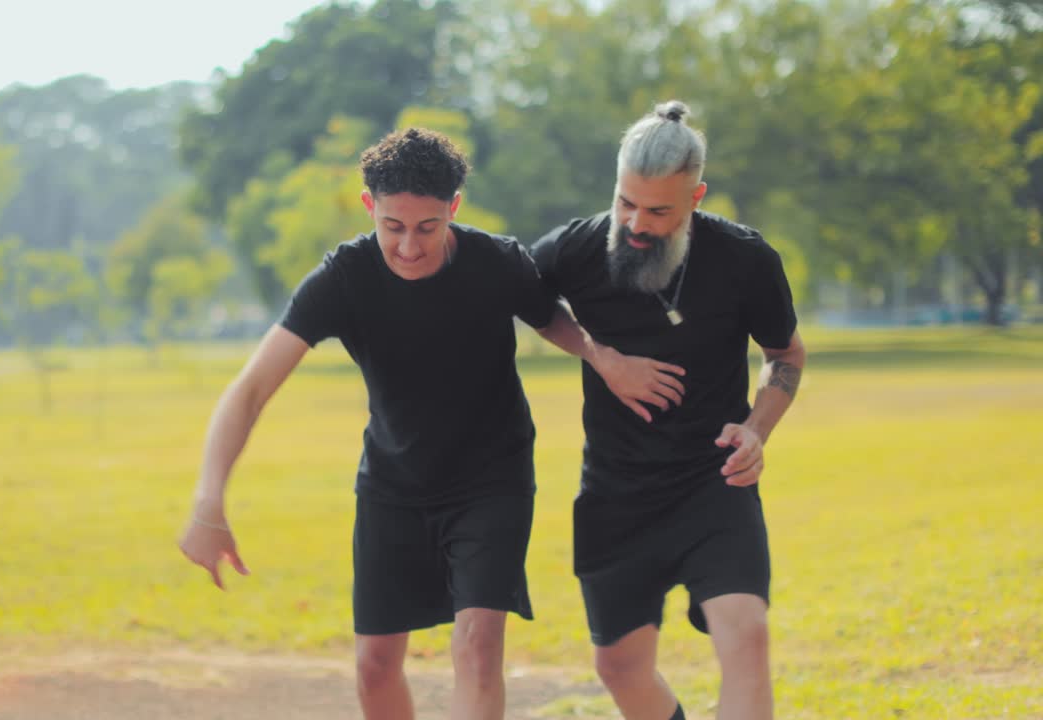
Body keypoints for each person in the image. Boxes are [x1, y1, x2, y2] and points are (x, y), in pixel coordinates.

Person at [178, 127, 685, 720]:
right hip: (392, 485)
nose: (409, 247)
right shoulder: (344, 278)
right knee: (374, 666)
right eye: (392, 226)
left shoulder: (496, 261)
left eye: (427, 227)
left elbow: (549, 317)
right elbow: (249, 391)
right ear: (369, 206)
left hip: (491, 481)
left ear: (454, 208)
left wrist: (603, 358)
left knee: (477, 647)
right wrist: (208, 501)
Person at [529, 101, 807, 720]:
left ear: (696, 197)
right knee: (619, 666)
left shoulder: (745, 259)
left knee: (747, 638)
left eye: (658, 211)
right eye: (626, 202)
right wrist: (601, 356)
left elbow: (785, 353)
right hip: (615, 490)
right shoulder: (575, 249)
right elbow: (530, 303)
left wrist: (756, 430)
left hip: (715, 480)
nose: (636, 223)